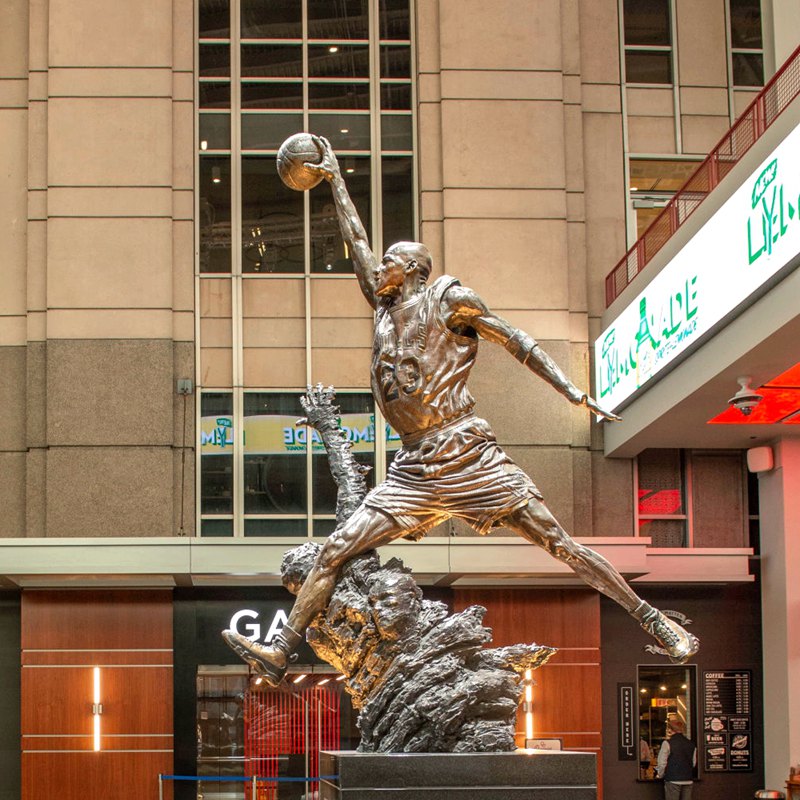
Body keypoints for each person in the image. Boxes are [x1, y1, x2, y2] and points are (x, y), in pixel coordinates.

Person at [223, 136, 700, 686]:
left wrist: (572, 391)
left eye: (393, 263)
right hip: (415, 467)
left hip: (466, 452)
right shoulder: (383, 308)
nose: (381, 269)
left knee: (558, 542)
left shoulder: (449, 299)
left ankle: (654, 618)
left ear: (415, 270)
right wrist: (335, 182)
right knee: (335, 550)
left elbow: (515, 340)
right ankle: (281, 651)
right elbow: (356, 242)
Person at [657, 717, 697, 799]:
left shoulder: (667, 743)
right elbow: (693, 762)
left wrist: (660, 775)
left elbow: (662, 763)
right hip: (688, 779)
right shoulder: (691, 744)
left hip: (673, 779)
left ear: (670, 730)